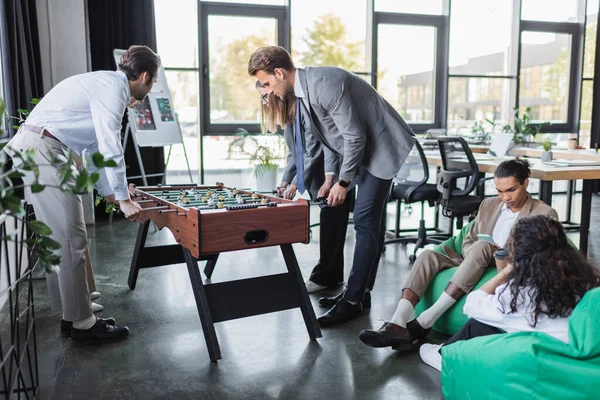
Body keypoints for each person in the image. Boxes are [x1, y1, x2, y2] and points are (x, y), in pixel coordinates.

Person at [248, 46, 416, 325]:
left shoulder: (324, 84)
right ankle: (359, 294)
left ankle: (352, 300)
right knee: (368, 224)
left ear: (279, 72)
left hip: (381, 146)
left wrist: (343, 182)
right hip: (361, 148)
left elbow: (354, 137)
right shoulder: (303, 92)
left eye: (266, 83)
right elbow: (330, 139)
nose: (267, 91)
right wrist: (329, 179)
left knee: (364, 222)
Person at [4, 45, 160, 344]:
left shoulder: (106, 85)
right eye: (152, 82)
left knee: (63, 234)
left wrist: (112, 194)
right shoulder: (113, 90)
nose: (151, 89)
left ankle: (72, 314)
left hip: (44, 149)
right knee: (70, 237)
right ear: (144, 76)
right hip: (44, 150)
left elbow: (93, 150)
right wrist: (125, 200)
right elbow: (110, 144)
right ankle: (82, 324)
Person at [359, 159, 559, 349]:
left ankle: (425, 320)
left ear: (525, 183)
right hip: (472, 259)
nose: (505, 198)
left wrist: (494, 251)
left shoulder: (543, 213)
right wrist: (476, 252)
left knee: (482, 246)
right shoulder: (489, 205)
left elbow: (537, 255)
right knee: (428, 255)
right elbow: (467, 240)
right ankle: (398, 322)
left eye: (511, 190)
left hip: (503, 267)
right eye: (499, 191)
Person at [419, 214, 600, 371]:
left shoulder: (518, 296)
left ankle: (445, 356)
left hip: (540, 363)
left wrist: (506, 272)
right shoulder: (586, 282)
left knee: (479, 324)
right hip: (580, 358)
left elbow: (472, 304)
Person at [256, 81, 352, 293]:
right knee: (331, 223)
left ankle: (325, 277)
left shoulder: (304, 111)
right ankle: (332, 276)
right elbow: (295, 154)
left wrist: (294, 184)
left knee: (332, 224)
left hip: (332, 173)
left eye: (265, 96)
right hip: (314, 175)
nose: (264, 102)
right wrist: (285, 179)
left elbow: (313, 152)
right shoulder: (289, 117)